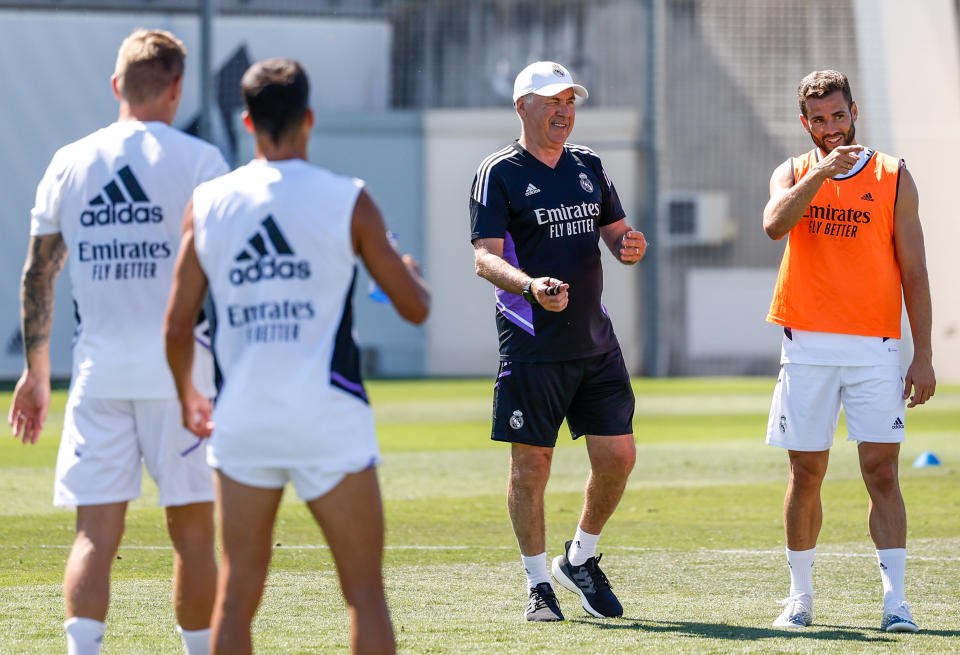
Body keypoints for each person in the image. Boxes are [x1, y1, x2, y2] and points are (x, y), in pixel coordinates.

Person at [165, 58, 430, 655]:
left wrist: (187, 394)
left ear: (246, 121)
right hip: (329, 417)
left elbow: (178, 324)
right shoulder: (350, 200)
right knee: (364, 593)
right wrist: (408, 274)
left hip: (243, 420)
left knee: (235, 596)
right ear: (309, 118)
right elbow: (415, 308)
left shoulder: (208, 203)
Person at [7, 29, 229, 655]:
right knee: (191, 536)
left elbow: (38, 272)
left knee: (93, 537)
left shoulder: (69, 161)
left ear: (116, 87)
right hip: (182, 377)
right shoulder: (200, 161)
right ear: (177, 89)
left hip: (97, 374)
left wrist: (35, 371)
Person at [469, 61, 646, 622]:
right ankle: (538, 582)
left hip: (594, 339)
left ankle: (581, 557)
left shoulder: (589, 165)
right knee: (532, 467)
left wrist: (629, 245)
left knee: (618, 456)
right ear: (522, 107)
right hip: (531, 343)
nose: (563, 110)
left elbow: (616, 234)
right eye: (551, 101)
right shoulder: (498, 172)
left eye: (569, 100)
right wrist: (530, 286)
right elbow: (484, 257)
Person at [762, 69, 936, 632]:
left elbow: (915, 270)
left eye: (838, 116)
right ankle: (800, 598)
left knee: (881, 470)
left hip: (876, 347)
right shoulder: (791, 172)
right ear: (805, 123)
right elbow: (773, 225)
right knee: (806, 471)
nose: (831, 128)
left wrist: (924, 353)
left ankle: (895, 602)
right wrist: (818, 176)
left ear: (854, 112)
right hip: (807, 344)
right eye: (818, 120)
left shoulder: (893, 175)